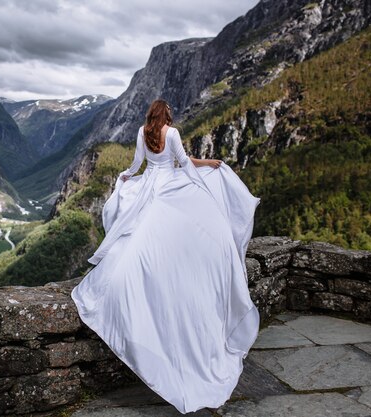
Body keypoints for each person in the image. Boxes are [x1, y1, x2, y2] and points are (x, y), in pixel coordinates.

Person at [70, 99, 261, 414]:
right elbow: (184, 163)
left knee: (137, 239)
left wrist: (124, 178)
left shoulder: (142, 131)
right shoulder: (171, 133)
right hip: (170, 188)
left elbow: (136, 166)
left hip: (148, 187)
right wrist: (206, 178)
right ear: (166, 115)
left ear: (150, 115)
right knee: (183, 239)